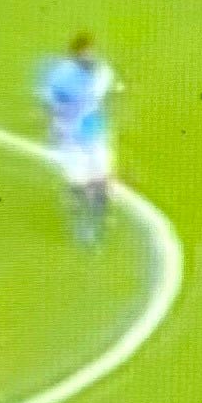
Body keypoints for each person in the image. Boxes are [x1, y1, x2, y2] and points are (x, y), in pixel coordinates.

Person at [35, 31, 122, 247]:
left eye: (90, 51)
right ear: (75, 53)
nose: (88, 56)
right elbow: (49, 104)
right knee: (78, 182)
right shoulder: (60, 76)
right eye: (84, 52)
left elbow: (106, 96)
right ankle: (79, 223)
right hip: (70, 137)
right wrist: (54, 125)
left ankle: (96, 223)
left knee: (101, 180)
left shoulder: (102, 72)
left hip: (94, 132)